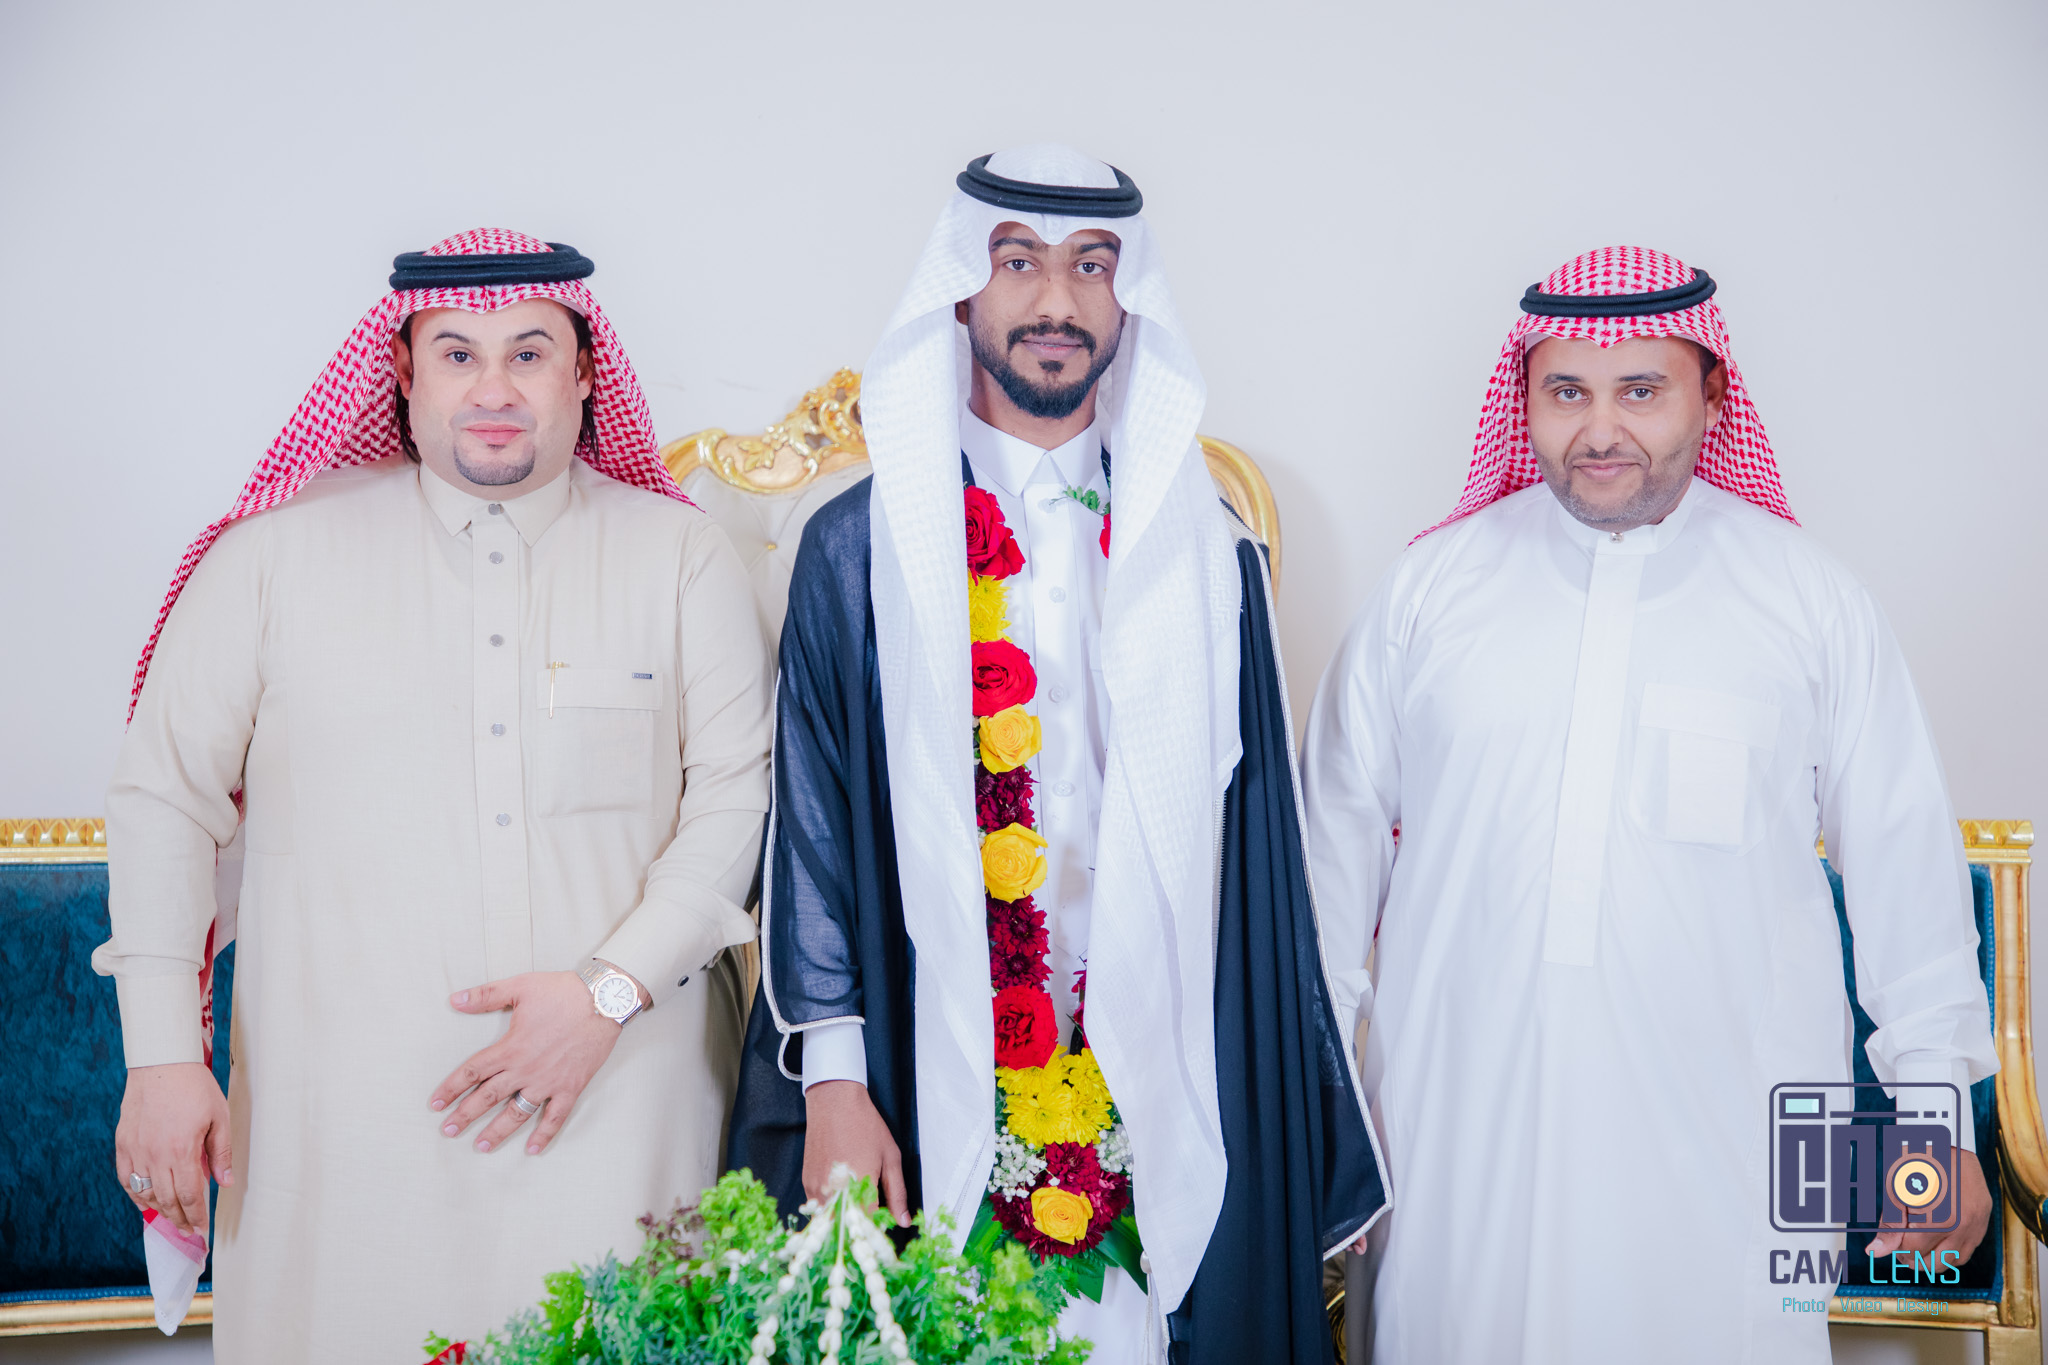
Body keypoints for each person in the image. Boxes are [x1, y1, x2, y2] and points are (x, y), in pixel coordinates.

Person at [723, 145, 1387, 1364]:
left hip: (1163, 1065)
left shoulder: (1207, 554)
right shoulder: (857, 547)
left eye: (1091, 267)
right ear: (957, 292)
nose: (1056, 302)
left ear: (1129, 301)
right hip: (929, 1056)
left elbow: (1257, 866)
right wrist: (835, 1083)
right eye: (1016, 261)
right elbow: (812, 837)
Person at [1302, 246, 1997, 1363]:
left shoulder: (1808, 601)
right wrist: (1322, 1117)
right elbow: (1327, 873)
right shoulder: (1429, 593)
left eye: (1639, 390)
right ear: (1525, 398)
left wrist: (1931, 1123)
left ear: (1712, 393)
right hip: (1459, 1129)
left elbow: (1903, 869)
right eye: (1566, 391)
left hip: (1729, 1137)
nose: (1599, 429)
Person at [94, 230, 772, 1362]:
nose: (493, 389)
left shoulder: (681, 558)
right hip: (339, 1125)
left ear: (585, 373)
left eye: (528, 353)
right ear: (403, 375)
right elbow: (165, 798)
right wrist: (162, 1058)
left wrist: (603, 997)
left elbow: (735, 802)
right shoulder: (271, 558)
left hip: (623, 1104)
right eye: (457, 354)